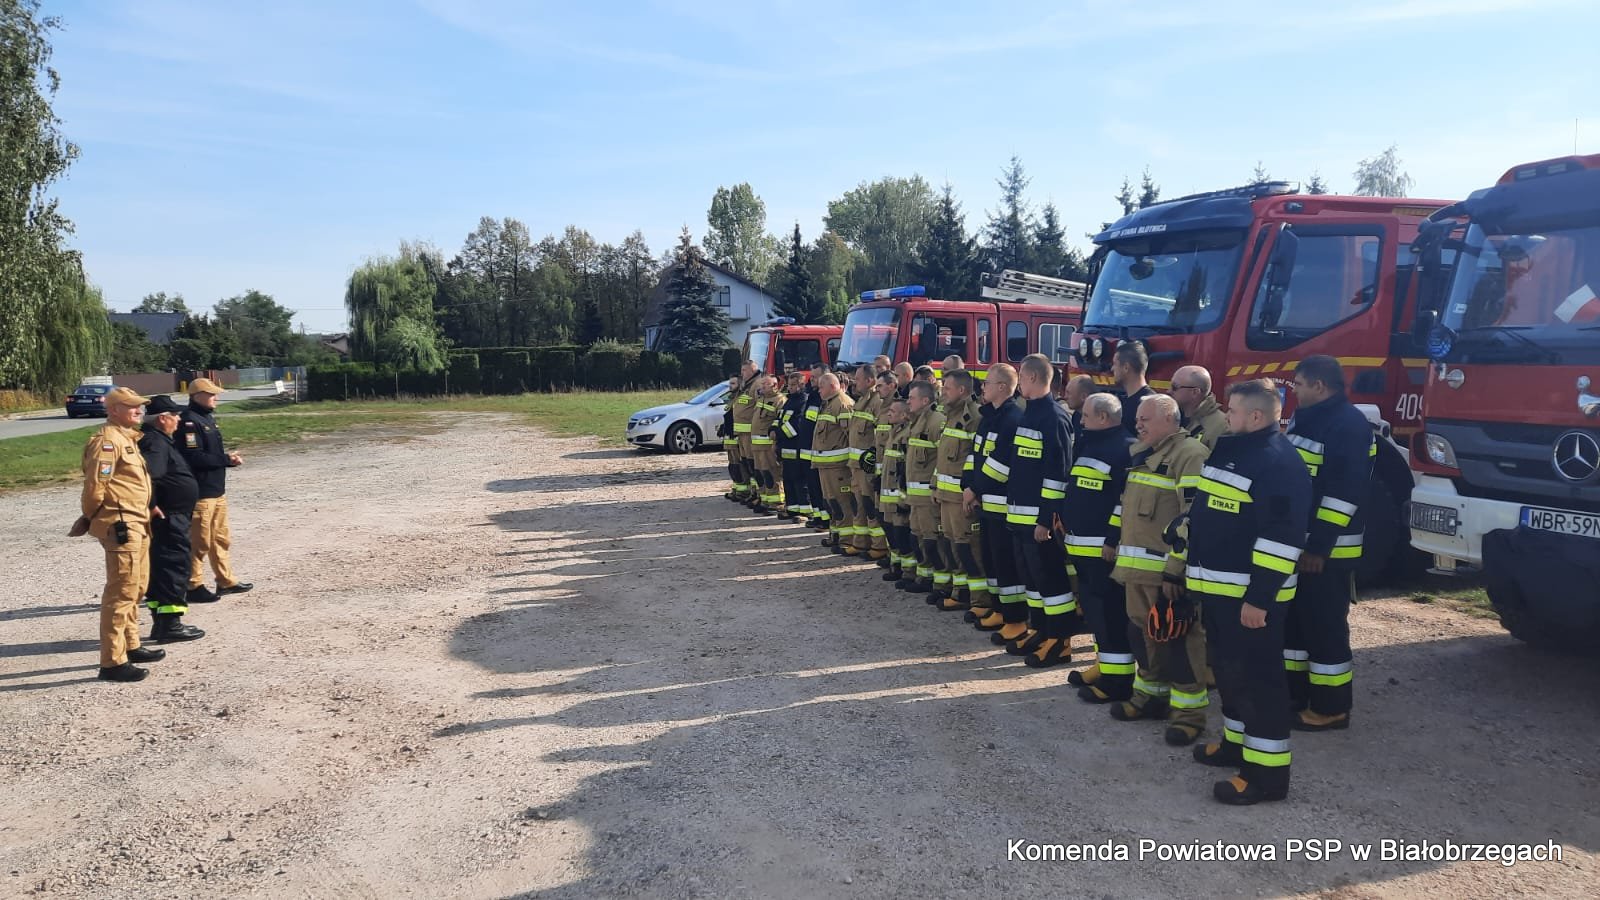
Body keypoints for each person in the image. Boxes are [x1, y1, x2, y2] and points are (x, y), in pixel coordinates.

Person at [1189, 379, 1312, 805]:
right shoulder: (1236, 451)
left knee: (1259, 683)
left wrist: (1260, 598)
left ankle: (1265, 777)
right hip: (1220, 592)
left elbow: (1281, 539)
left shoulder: (1278, 463)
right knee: (1230, 674)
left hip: (1249, 600)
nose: (1227, 416)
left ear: (1256, 416)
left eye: (1234, 411)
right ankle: (1236, 746)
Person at [1107, 393, 1212, 746]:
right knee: (1143, 637)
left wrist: (1175, 570)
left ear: (1169, 419)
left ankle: (1189, 716)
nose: (1138, 425)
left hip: (1165, 575)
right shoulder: (1143, 453)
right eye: (1137, 419)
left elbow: (1192, 519)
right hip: (1135, 571)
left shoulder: (1190, 455)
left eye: (1145, 419)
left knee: (1180, 642)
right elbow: (1127, 508)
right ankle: (1149, 697)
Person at [1283, 356, 1374, 732]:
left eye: (1299, 384)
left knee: (1324, 629)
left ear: (1319, 386)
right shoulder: (1308, 417)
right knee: (1295, 626)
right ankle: (1295, 695)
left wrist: (1319, 547)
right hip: (1299, 545)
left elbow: (1343, 493)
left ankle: (1331, 708)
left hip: (1328, 551)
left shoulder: (1348, 425)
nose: (1295, 391)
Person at [75, 387, 165, 682]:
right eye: (131, 406)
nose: (139, 411)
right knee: (121, 591)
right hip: (121, 524)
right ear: (114, 410)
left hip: (138, 521)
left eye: (140, 406)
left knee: (136, 587)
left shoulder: (128, 438)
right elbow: (95, 489)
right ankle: (112, 662)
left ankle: (131, 644)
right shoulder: (107, 442)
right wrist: (95, 517)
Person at [1004, 354, 1078, 667]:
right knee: (1032, 581)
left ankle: (1060, 641)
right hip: (1020, 517)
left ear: (1033, 378)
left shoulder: (1053, 417)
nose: (1018, 382)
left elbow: (1057, 474)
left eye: (1021, 376)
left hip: (1038, 521)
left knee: (1051, 580)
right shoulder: (1029, 414)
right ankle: (1041, 630)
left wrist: (1046, 519)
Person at [1064, 393, 1136, 702]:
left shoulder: (1124, 449)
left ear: (1104, 417)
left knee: (1110, 616)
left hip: (1101, 550)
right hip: (1082, 546)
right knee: (1096, 614)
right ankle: (1104, 666)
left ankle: (1117, 683)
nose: (1081, 421)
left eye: (1086, 416)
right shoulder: (1092, 444)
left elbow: (1124, 501)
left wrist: (1112, 539)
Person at [964, 365, 1025, 636]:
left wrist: (974, 489)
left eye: (987, 382)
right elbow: (974, 455)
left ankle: (1015, 619)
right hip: (985, 503)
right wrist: (968, 485)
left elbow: (1000, 466)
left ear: (1002, 386)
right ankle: (999, 609)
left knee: (1006, 564)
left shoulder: (1012, 419)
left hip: (1002, 507)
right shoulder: (988, 417)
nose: (983, 387)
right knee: (990, 560)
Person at [178, 378, 252, 602]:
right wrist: (226, 459)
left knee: (220, 538)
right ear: (196, 396)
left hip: (216, 490)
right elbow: (193, 457)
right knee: (199, 541)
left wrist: (227, 460)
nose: (215, 398)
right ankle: (193, 585)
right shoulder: (189, 422)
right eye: (211, 394)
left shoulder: (206, 418)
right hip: (201, 493)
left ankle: (225, 580)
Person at [139, 395, 206, 643]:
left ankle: (162, 624)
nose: (178, 420)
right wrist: (152, 504)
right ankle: (170, 626)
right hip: (169, 518)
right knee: (173, 567)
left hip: (172, 515)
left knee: (162, 568)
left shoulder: (158, 439)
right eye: (175, 416)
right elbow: (149, 475)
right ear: (162, 419)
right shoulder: (155, 443)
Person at [931, 369, 985, 612]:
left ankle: (979, 600)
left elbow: (978, 458)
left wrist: (973, 491)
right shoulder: (949, 415)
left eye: (947, 388)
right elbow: (942, 456)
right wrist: (935, 485)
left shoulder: (974, 417)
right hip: (946, 496)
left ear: (962, 390)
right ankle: (959, 592)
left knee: (968, 548)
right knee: (952, 546)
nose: (943, 392)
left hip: (962, 497)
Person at [901, 380, 946, 590]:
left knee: (932, 540)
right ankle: (924, 577)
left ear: (925, 400)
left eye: (912, 398)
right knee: (918, 538)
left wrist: (936, 487)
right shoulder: (916, 421)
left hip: (928, 496)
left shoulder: (937, 422)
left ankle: (940, 584)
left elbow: (942, 460)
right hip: (915, 496)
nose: (908, 401)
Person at [810, 372, 856, 552]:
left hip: (839, 468)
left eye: (821, 387)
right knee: (831, 503)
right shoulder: (829, 404)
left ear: (832, 386)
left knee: (843, 504)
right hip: (826, 466)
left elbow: (851, 437)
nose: (818, 390)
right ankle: (835, 535)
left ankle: (847, 540)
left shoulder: (843, 405)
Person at [847, 366, 888, 558]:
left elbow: (880, 437)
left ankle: (879, 546)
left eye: (858, 379)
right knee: (858, 504)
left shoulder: (877, 403)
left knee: (870, 504)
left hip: (867, 466)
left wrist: (873, 463)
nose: (854, 382)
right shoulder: (861, 401)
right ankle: (860, 542)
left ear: (870, 381)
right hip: (855, 465)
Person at [878, 397, 914, 585]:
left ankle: (908, 572)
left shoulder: (906, 435)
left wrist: (904, 499)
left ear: (904, 415)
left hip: (899, 495)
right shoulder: (894, 432)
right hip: (888, 493)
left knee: (901, 533)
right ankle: (896, 566)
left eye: (893, 411)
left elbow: (906, 470)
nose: (889, 413)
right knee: (891, 531)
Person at [776, 370, 814, 521]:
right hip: (786, 448)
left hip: (796, 448)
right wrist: (773, 429)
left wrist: (779, 432)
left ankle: (805, 511)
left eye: (793, 385)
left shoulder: (803, 401)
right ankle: (792, 508)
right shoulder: (789, 401)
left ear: (801, 385)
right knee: (788, 479)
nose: (790, 388)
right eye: (789, 385)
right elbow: (780, 418)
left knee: (800, 480)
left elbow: (797, 425)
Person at [748, 374, 785, 515]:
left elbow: (780, 421)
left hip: (768, 445)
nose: (761, 387)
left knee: (772, 474)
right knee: (761, 474)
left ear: (774, 386)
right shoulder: (762, 398)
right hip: (756, 445)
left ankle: (776, 503)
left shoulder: (780, 400)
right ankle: (765, 500)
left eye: (765, 384)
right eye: (761, 384)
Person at [727, 362, 761, 506]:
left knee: (753, 464)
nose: (742, 373)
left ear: (753, 370)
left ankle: (758, 494)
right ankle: (752, 493)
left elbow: (759, 408)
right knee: (746, 464)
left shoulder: (756, 385)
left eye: (744, 370)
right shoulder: (746, 385)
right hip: (741, 433)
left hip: (749, 433)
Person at [802, 364, 830, 532]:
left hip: (818, 452)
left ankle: (825, 521)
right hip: (808, 451)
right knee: (813, 488)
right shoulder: (812, 396)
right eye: (811, 376)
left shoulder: (823, 399)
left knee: (821, 489)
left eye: (815, 376)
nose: (811, 379)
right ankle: (818, 517)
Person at [1173, 365, 1229, 450]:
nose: (1169, 391)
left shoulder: (1221, 427)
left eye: (1174, 387)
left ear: (1195, 392)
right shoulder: (1171, 418)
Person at [1112, 343, 1154, 437]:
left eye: (1115, 364)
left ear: (1126, 367)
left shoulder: (1149, 404)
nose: (1112, 368)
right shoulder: (1123, 401)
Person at [721, 375, 742, 501]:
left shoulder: (741, 399)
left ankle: (742, 492)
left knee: (739, 466)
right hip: (729, 437)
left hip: (736, 437)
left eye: (733, 383)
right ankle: (736, 489)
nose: (730, 386)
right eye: (730, 383)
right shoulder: (731, 398)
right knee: (732, 466)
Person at [1063, 374, 1097, 446]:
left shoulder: (1097, 420)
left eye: (1069, 393)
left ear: (1083, 396)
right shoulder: (1076, 415)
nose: (1065, 397)